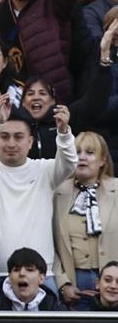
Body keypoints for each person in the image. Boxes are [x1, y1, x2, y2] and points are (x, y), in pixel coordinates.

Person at [0, 96, 76, 295]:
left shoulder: (45, 170)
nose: (11, 143)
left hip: (40, 277)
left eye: (18, 137)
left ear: (30, 141)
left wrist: (64, 132)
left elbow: (69, 162)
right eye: (4, 136)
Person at [52, 131, 118, 308]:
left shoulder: (117, 189)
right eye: (77, 152)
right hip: (74, 282)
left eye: (89, 153)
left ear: (103, 160)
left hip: (113, 282)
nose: (82, 157)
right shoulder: (57, 192)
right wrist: (63, 283)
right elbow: (49, 243)